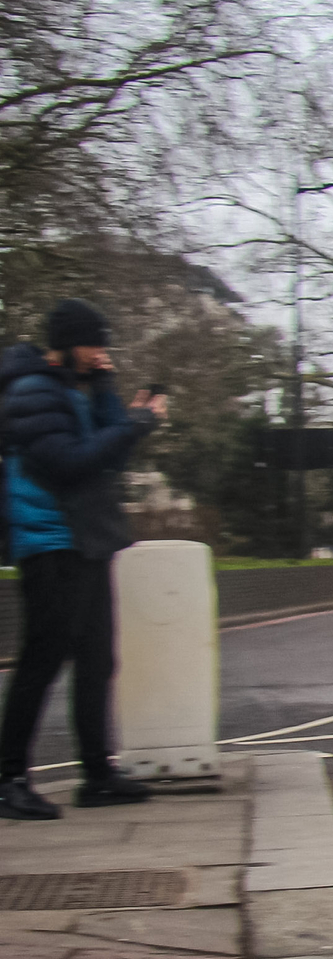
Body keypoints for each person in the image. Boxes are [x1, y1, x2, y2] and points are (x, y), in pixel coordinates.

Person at [0, 300, 167, 819]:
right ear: (69, 343)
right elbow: (71, 463)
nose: (102, 352)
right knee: (41, 661)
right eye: (95, 344)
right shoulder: (32, 393)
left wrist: (111, 395)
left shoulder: (74, 389)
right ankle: (8, 779)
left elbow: (111, 455)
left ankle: (97, 774)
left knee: (97, 660)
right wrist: (133, 424)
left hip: (87, 541)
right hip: (51, 543)